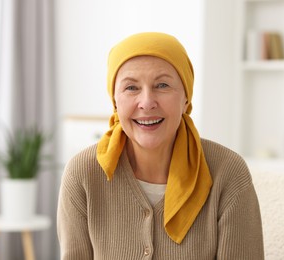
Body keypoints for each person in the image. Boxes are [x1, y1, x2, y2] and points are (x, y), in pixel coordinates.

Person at [57, 32, 264, 259]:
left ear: (186, 98)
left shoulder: (228, 172)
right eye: (131, 88)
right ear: (115, 101)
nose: (146, 103)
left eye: (162, 85)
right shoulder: (82, 173)